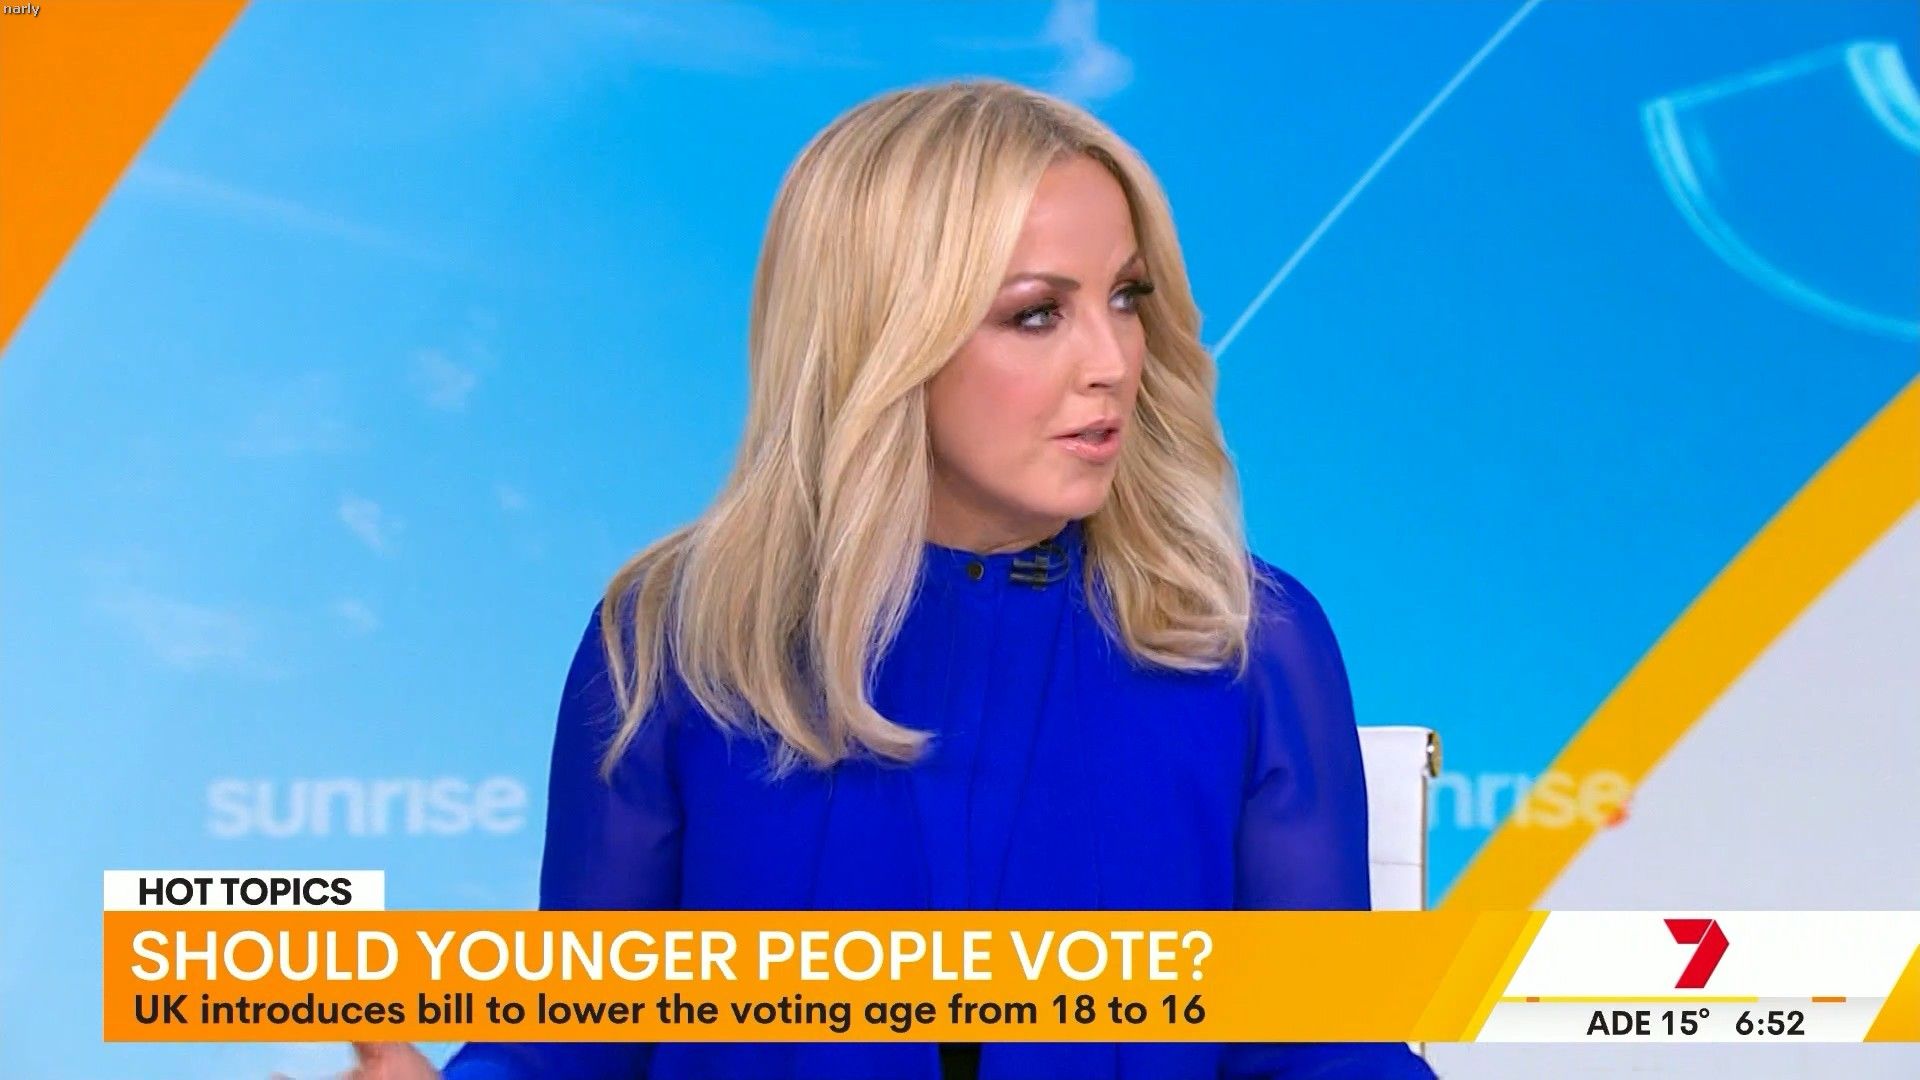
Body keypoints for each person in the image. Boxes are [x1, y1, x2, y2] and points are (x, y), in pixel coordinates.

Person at [344, 77, 1436, 1080]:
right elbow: (569, 1048)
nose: (1111, 361)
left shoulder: (1246, 637)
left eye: (1126, 297)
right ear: (884, 337)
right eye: (1038, 313)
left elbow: (1327, 1052)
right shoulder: (672, 638)